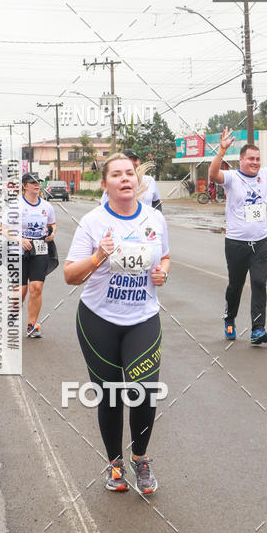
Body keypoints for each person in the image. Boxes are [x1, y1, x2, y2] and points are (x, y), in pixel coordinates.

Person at [64, 153, 170, 494]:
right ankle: (114, 464)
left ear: (137, 181)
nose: (125, 179)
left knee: (144, 392)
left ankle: (140, 459)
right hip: (99, 320)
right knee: (110, 396)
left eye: (130, 174)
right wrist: (98, 257)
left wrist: (162, 271)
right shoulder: (93, 222)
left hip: (143, 319)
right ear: (106, 183)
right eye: (117, 175)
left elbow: (164, 256)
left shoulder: (155, 218)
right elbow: (69, 276)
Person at [209, 126, 267, 345]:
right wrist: (221, 151)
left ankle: (258, 329)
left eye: (257, 159)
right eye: (250, 159)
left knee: (258, 283)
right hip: (236, 243)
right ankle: (229, 319)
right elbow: (213, 174)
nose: (255, 162)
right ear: (241, 160)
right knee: (235, 285)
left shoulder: (264, 174)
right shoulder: (231, 177)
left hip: (260, 243)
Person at [15, 172, 56, 338]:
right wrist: (19, 239)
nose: (37, 184)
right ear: (25, 185)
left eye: (38, 182)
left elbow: (52, 225)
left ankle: (32, 326)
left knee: (36, 288)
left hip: (40, 248)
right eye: (32, 182)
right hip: (18, 251)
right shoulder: (15, 205)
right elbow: (4, 228)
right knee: (20, 292)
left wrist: (51, 235)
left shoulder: (47, 206)